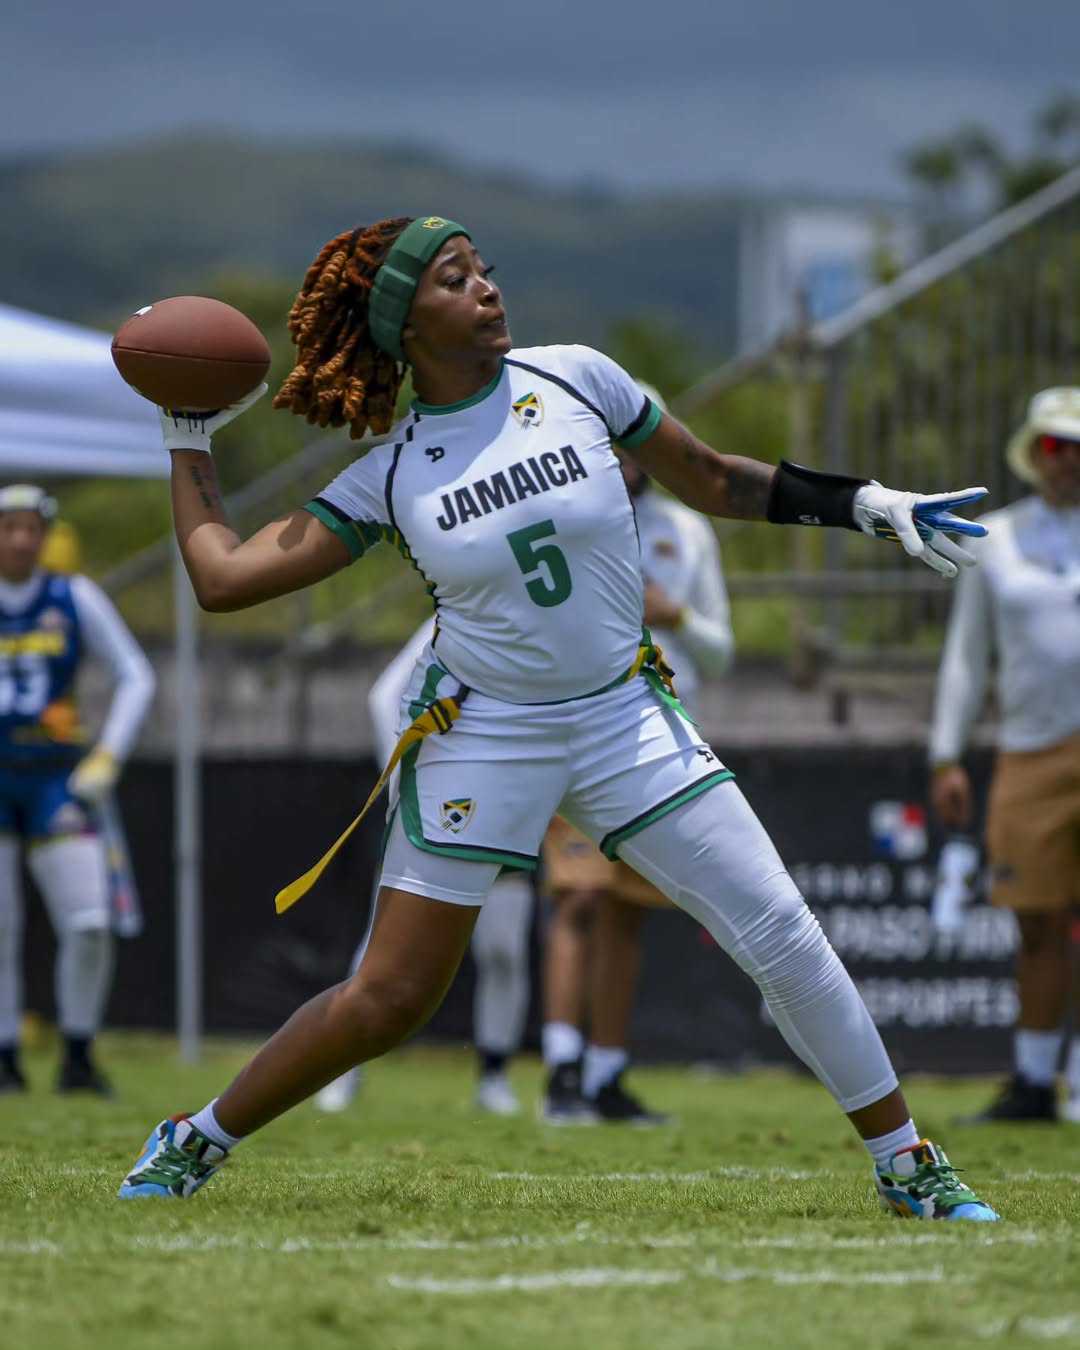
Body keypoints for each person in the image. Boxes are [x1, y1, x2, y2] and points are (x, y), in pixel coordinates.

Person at [117, 213, 997, 1222]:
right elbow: (223, 580)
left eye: (482, 269)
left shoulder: (577, 376)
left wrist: (863, 503)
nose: (486, 287)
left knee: (783, 933)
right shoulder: (394, 475)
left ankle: (905, 1163)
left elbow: (710, 478)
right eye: (455, 278)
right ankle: (195, 1137)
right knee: (391, 999)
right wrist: (188, 436)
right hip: (484, 728)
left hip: (623, 710)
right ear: (406, 324)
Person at [541, 391, 735, 1123]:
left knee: (627, 914)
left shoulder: (687, 531)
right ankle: (561, 1071)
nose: (624, 460)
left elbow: (722, 651)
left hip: (665, 742)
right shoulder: (564, 520)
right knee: (580, 898)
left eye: (633, 443)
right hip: (582, 731)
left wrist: (676, 614)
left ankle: (605, 1076)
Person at [929, 387, 1080, 1124]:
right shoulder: (994, 537)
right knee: (1038, 921)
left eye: (1079, 447)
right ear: (1034, 455)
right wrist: (945, 753)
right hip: (1030, 749)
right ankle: (1031, 1081)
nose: (1070, 460)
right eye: (1056, 446)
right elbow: (966, 659)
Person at [315, 620, 534, 1116]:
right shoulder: (455, 616)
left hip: (509, 805)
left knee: (504, 951)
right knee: (382, 949)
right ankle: (343, 1072)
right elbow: (383, 698)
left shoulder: (535, 619)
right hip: (439, 809)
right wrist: (402, 782)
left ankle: (494, 1078)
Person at [0, 486, 156, 1094]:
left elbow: (136, 674)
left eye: (29, 527)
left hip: (56, 776)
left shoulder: (74, 596)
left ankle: (79, 1054)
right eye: (8, 527)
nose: (19, 539)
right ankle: (6, 1059)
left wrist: (110, 753)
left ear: (46, 534)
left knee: (89, 920)